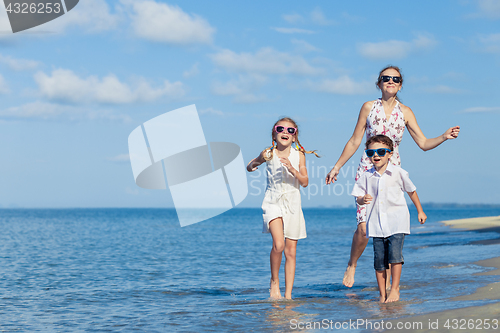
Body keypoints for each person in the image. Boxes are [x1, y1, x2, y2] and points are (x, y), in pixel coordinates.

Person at [325, 65, 460, 288]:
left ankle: (387, 288)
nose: (390, 81)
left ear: (400, 84)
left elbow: (424, 144)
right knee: (364, 228)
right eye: (386, 78)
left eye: (395, 79)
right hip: (368, 171)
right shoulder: (368, 107)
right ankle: (352, 263)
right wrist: (337, 166)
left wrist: (444, 137)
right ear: (379, 83)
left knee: (387, 229)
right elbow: (355, 140)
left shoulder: (405, 112)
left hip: (393, 173)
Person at [247, 117, 319, 299]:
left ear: (294, 137)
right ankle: (274, 282)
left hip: (293, 203)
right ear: (274, 133)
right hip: (273, 201)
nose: (285, 132)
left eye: (290, 130)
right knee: (278, 245)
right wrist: (258, 160)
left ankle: (288, 296)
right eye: (281, 129)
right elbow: (250, 167)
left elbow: (305, 182)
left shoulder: (299, 155)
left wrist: (293, 169)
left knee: (291, 252)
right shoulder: (268, 153)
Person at [351, 135, 427, 303]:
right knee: (379, 260)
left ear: (390, 154)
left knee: (394, 256)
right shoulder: (366, 175)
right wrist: (362, 200)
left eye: (380, 151)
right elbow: (358, 196)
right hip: (376, 224)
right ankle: (382, 293)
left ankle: (394, 289)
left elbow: (411, 191)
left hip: (397, 221)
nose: (376, 155)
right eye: (371, 152)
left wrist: (420, 211)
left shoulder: (398, 172)